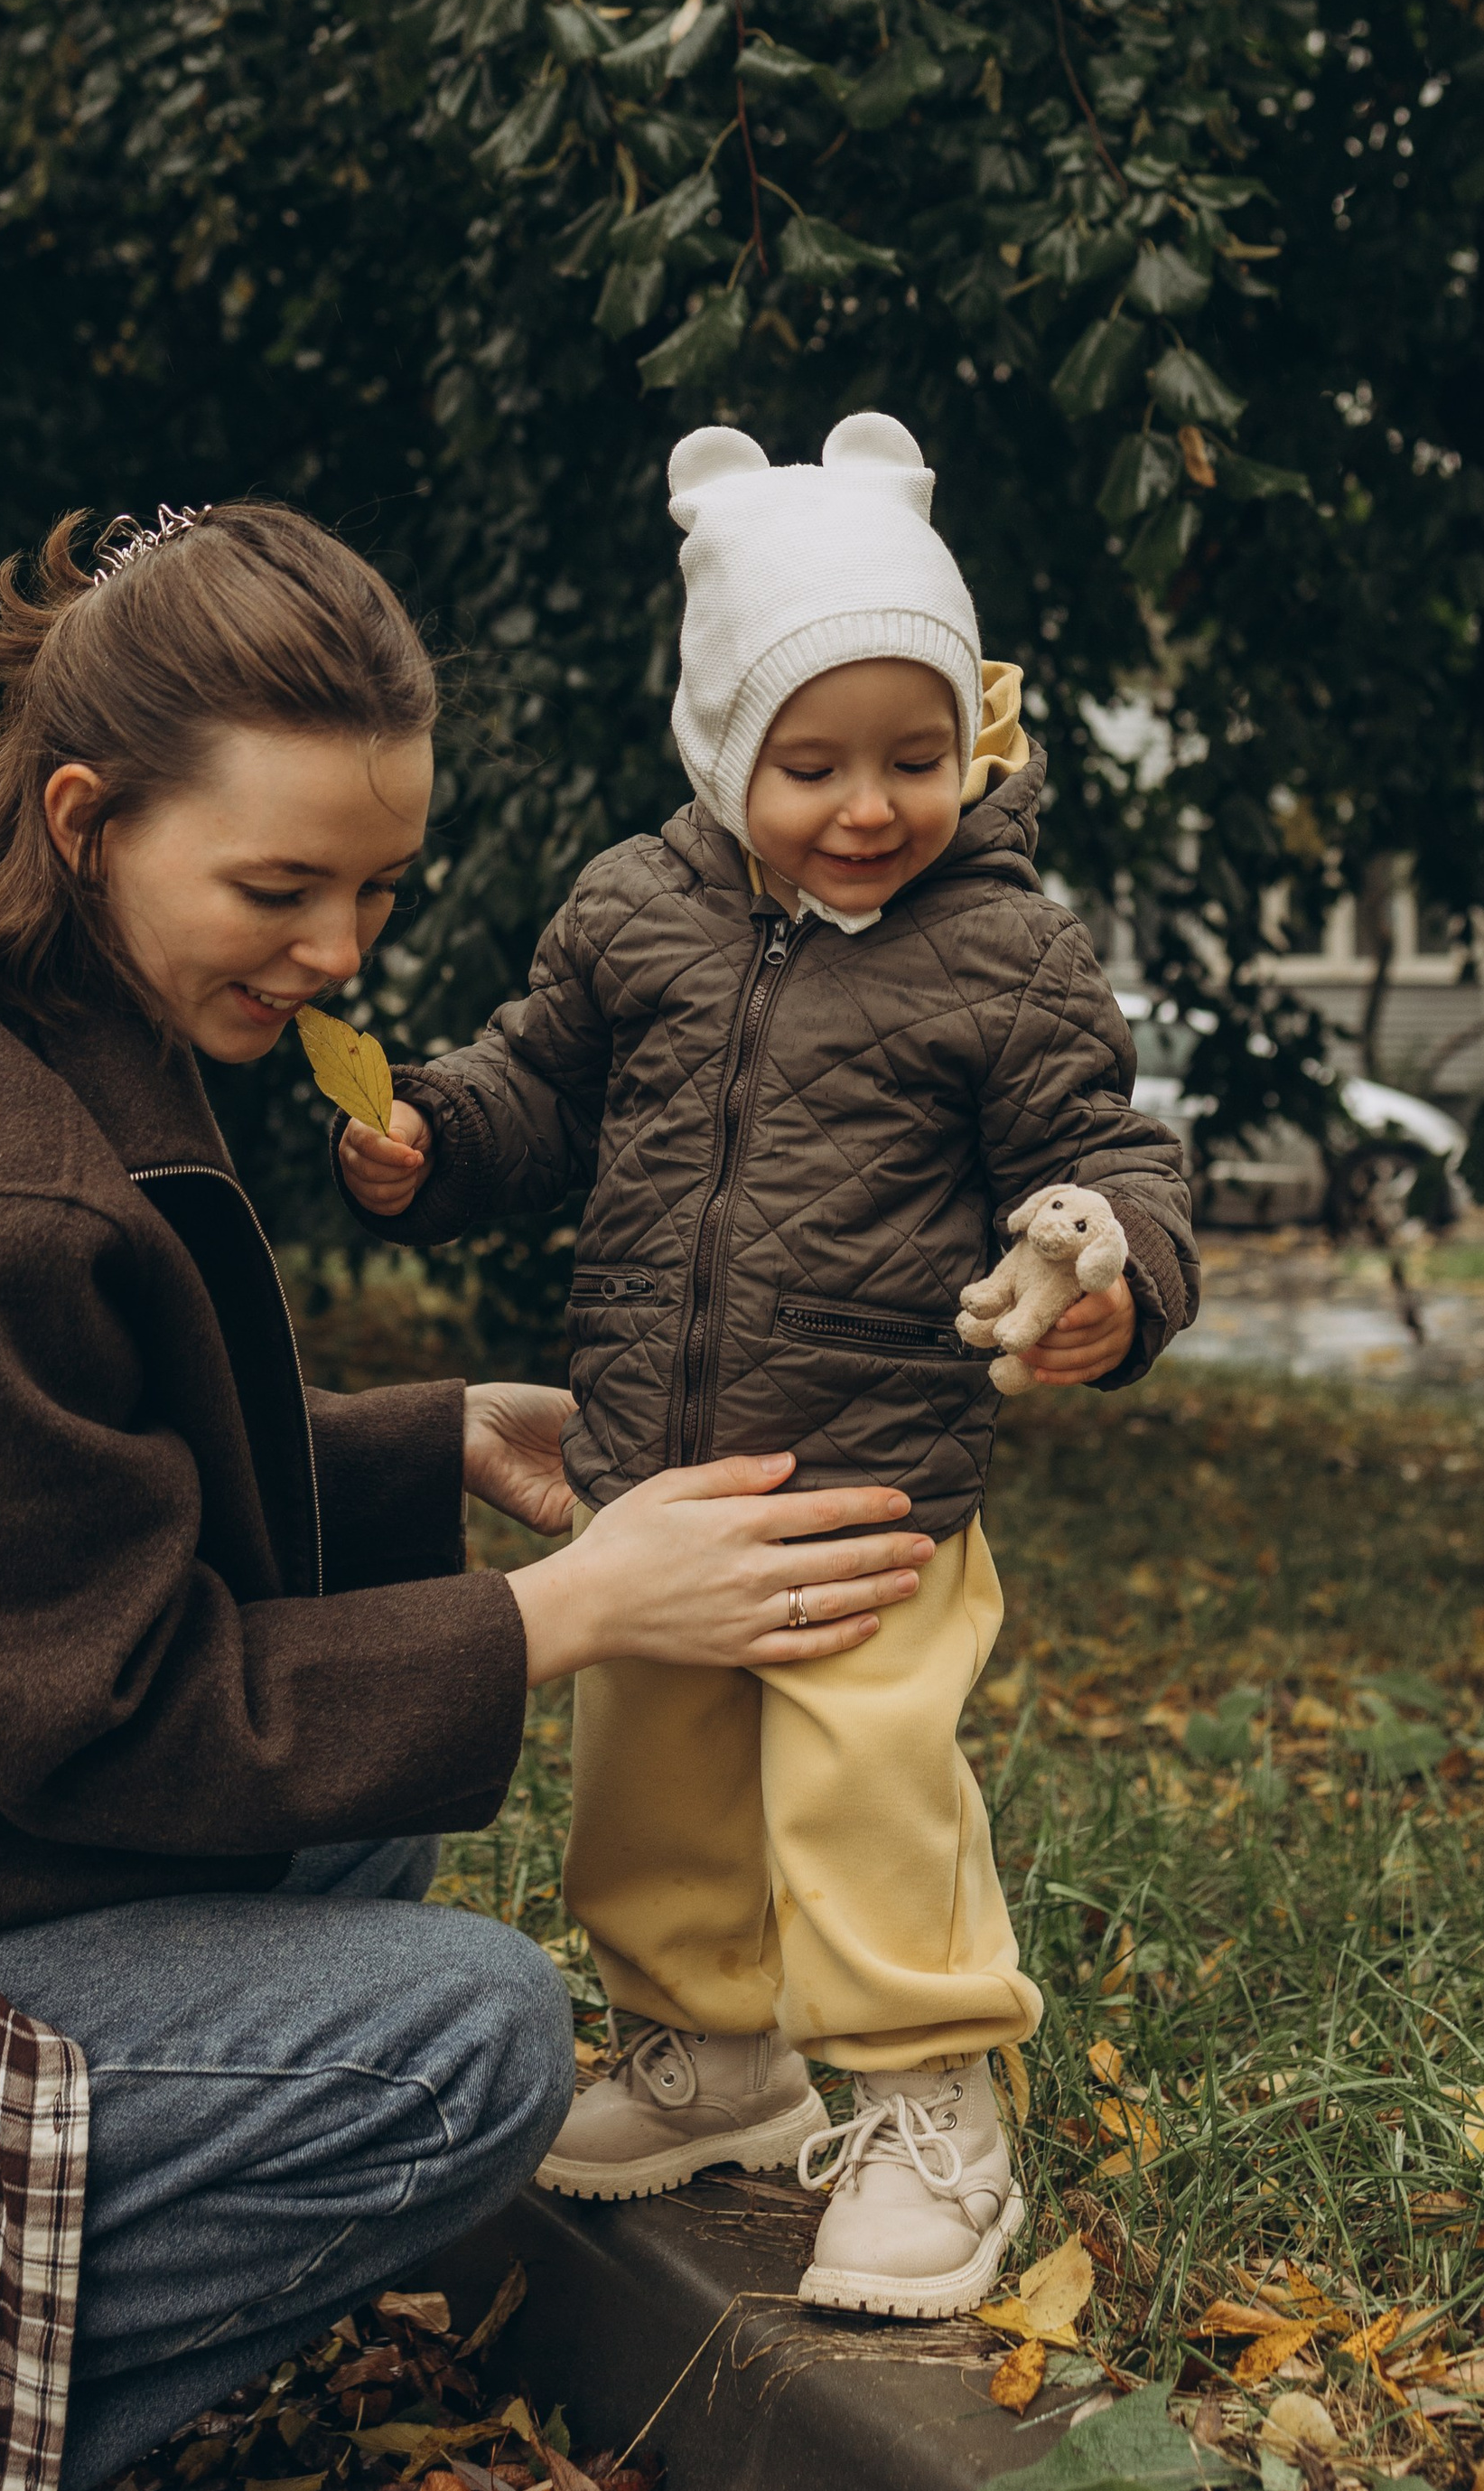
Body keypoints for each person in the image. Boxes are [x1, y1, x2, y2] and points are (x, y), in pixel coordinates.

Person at [0, 501, 938, 2491]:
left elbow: (42, 1498)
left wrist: (421, 1442)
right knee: (470, 2041)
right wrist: (560, 1615)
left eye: (375, 887)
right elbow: (104, 1718)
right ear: (91, 815)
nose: (341, 951)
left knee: (360, 1835)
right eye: (280, 886)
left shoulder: (51, 999)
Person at [340, 416, 1199, 2322]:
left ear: (968, 744)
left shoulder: (1005, 951)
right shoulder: (632, 913)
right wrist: (427, 1134)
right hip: (654, 1475)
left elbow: (1111, 1158)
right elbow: (532, 1085)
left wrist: (1106, 1273)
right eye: (808, 762)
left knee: (859, 1785)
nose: (867, 804)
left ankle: (924, 2106)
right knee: (649, 1782)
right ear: (722, 745)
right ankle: (708, 2051)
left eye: (914, 757)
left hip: (872, 1479)